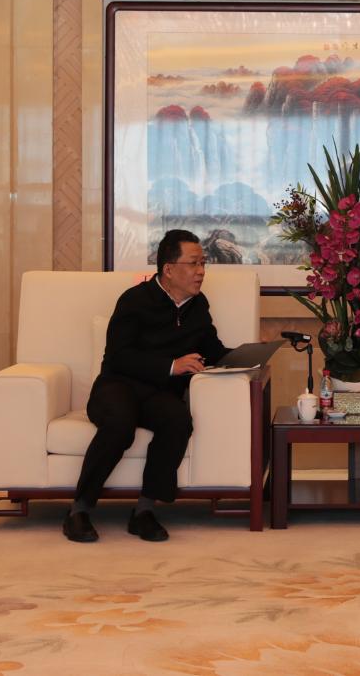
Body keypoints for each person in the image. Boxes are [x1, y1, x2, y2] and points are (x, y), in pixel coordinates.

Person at [63, 229, 228, 543]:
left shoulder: (197, 305)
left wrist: (251, 355)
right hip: (116, 386)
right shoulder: (135, 300)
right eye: (194, 263)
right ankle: (78, 510)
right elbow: (119, 356)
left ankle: (144, 511)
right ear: (169, 269)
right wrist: (172, 366)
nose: (201, 271)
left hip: (157, 394)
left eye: (203, 263)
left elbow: (214, 350)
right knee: (120, 424)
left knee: (178, 420)